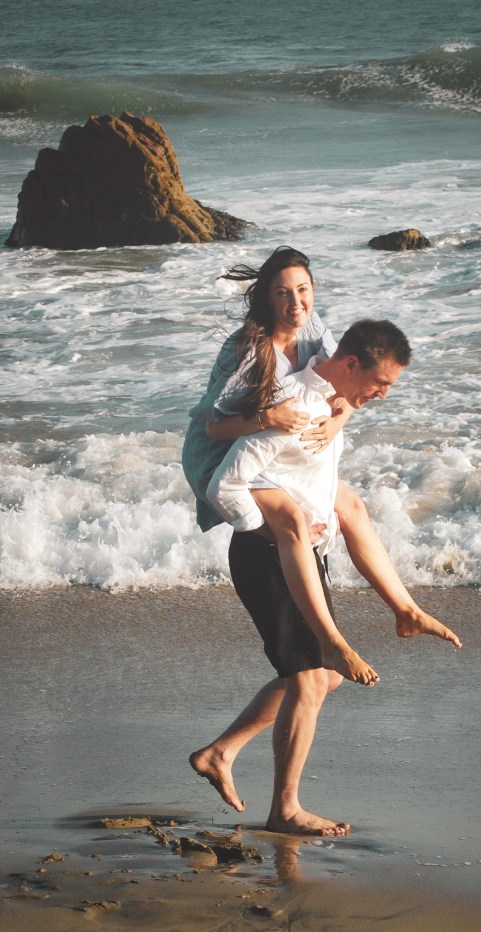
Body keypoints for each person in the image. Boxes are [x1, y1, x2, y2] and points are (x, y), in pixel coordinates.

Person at [190, 319, 461, 837]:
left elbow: (320, 470)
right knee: (313, 679)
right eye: (381, 384)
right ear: (353, 364)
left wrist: (342, 419)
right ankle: (285, 810)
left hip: (300, 554)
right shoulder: (294, 405)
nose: (383, 395)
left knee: (323, 676)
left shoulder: (331, 401)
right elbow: (226, 485)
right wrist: (269, 525)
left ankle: (220, 753)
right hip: (269, 556)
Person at [182, 247, 460, 689]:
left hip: (279, 452)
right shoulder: (246, 352)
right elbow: (214, 429)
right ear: (267, 300)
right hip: (225, 452)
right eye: (283, 293)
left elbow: (346, 380)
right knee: (292, 519)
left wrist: (335, 422)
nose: (296, 303)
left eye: (304, 290)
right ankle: (332, 641)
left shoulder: (315, 332)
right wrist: (267, 419)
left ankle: (405, 610)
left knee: (349, 504)